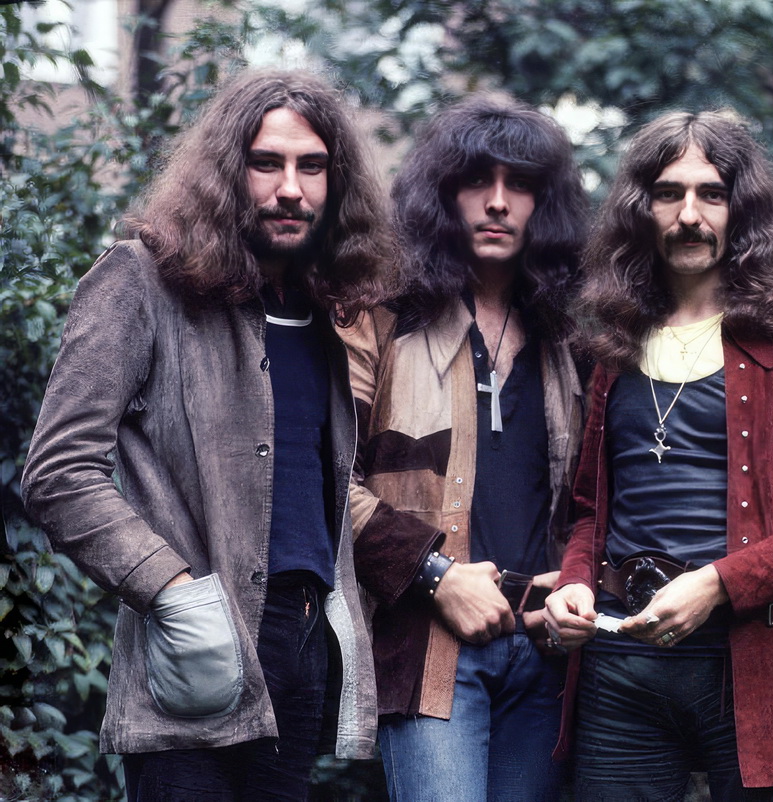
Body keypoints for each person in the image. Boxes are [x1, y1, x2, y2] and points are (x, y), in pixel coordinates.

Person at [21, 70, 396, 799]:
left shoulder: (327, 313)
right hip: (194, 634)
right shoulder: (141, 280)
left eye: (312, 167)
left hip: (304, 643)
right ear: (228, 171)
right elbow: (59, 471)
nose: (291, 189)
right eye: (267, 163)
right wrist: (171, 589)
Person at [543, 110, 773, 800]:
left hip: (755, 662)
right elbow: (588, 510)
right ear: (642, 210)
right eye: (669, 194)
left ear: (742, 210)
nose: (689, 215)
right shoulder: (612, 346)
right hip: (620, 661)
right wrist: (573, 583)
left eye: (712, 194)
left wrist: (716, 584)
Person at [340, 93, 588, 801]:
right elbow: (323, 478)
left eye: (520, 184)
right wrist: (436, 575)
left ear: (546, 203)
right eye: (478, 180)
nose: (498, 202)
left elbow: (593, 496)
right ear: (443, 194)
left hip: (544, 652)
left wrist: (571, 589)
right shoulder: (378, 316)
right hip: (428, 650)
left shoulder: (571, 336)